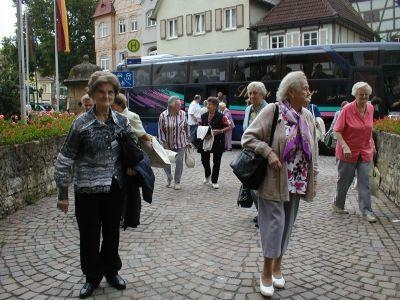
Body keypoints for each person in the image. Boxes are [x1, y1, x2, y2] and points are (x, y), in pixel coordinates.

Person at [54, 71, 130, 298]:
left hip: (113, 188)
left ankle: (112, 271)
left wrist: (134, 167)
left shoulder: (121, 122)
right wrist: (62, 194)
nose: (106, 96)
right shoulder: (81, 124)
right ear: (93, 94)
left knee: (111, 234)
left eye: (110, 92)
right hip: (86, 190)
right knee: (89, 236)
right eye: (101, 92)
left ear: (114, 95)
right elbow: (64, 159)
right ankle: (92, 277)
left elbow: (130, 152)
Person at [242, 71, 318, 297]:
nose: (308, 91)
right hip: (273, 179)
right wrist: (269, 153)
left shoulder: (307, 116)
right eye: (304, 88)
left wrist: (314, 176)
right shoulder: (273, 111)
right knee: (274, 225)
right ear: (291, 92)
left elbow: (312, 150)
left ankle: (277, 266)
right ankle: (265, 272)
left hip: (297, 181)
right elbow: (248, 137)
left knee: (286, 226)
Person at [332, 81, 377, 223]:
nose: (364, 97)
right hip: (348, 152)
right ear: (355, 95)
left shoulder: (370, 108)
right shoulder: (347, 109)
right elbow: (337, 130)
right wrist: (345, 146)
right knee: (344, 181)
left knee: (365, 181)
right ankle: (338, 204)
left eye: (366, 95)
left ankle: (366, 210)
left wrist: (373, 145)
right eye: (361, 94)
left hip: (364, 151)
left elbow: (368, 129)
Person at [243, 81, 269, 226]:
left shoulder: (269, 109)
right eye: (250, 93)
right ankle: (262, 213)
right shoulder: (248, 110)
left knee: (260, 187)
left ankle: (264, 215)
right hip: (249, 153)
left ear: (263, 94)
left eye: (255, 93)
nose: (252, 96)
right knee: (252, 185)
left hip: (262, 153)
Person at [158, 96, 190, 190]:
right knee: (166, 162)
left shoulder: (183, 114)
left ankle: (177, 181)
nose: (180, 106)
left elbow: (186, 127)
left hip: (181, 143)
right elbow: (160, 130)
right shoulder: (163, 116)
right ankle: (169, 177)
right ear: (172, 106)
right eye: (178, 105)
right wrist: (164, 143)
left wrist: (188, 140)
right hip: (167, 143)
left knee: (179, 161)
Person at [198, 97, 230, 189]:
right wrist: (202, 132)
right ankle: (207, 174)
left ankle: (214, 180)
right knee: (204, 159)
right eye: (207, 104)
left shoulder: (222, 116)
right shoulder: (203, 115)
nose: (207, 106)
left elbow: (228, 127)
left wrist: (219, 131)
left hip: (218, 141)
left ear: (215, 106)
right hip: (205, 140)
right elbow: (200, 126)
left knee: (217, 161)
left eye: (209, 104)